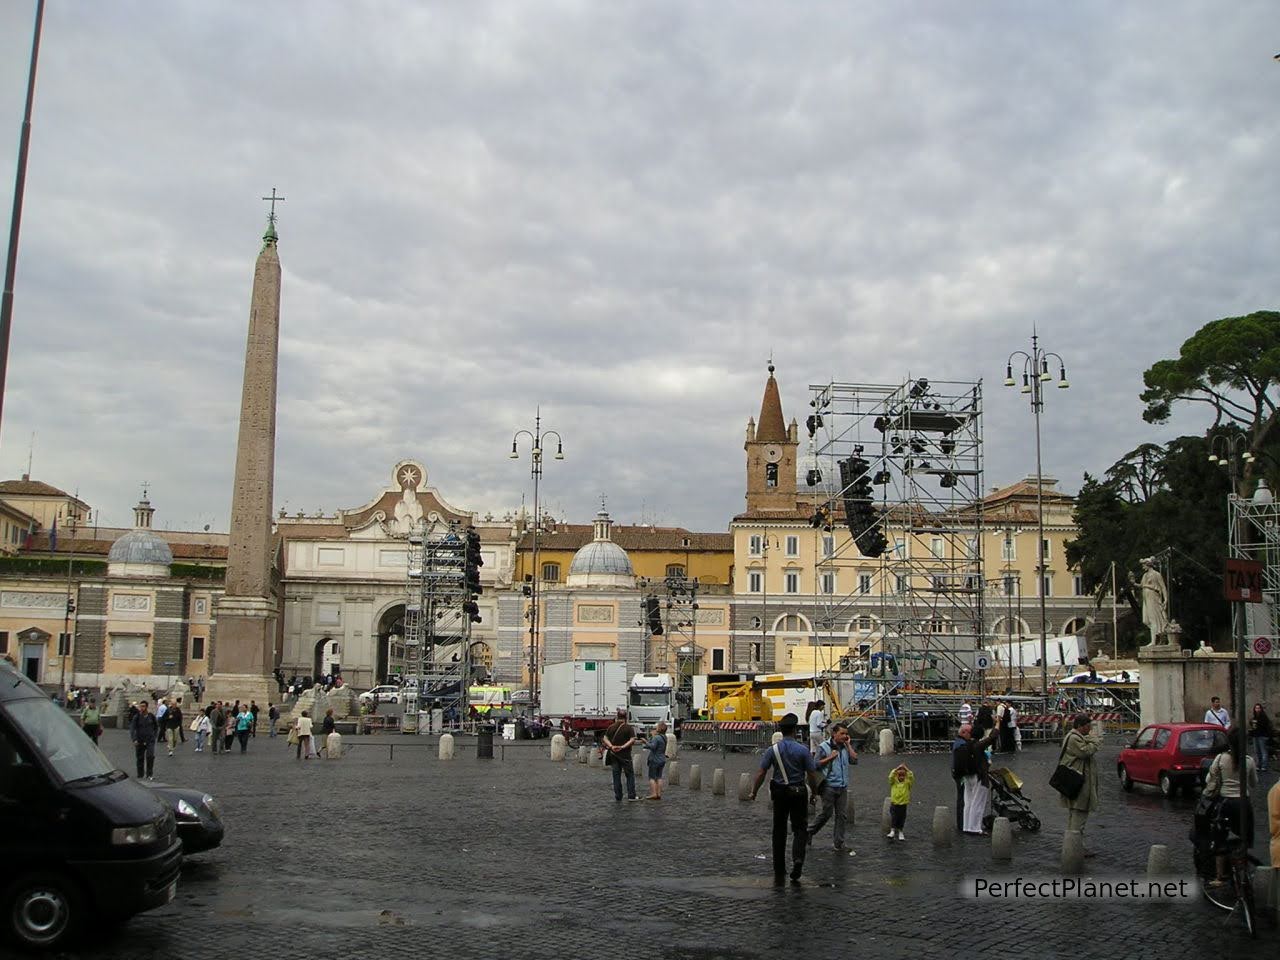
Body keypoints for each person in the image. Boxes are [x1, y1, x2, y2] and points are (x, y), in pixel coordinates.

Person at [749, 713, 821, 884]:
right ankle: (798, 859)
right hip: (799, 792)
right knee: (800, 828)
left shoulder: (772, 750)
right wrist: (815, 792)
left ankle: (779, 867)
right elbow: (811, 774)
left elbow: (761, 772)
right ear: (795, 730)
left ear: (780, 731)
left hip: (780, 792)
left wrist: (754, 791)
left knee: (779, 829)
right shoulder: (803, 750)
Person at [1201, 725, 1259, 886]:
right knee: (1244, 838)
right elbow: (1254, 783)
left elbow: (1208, 780)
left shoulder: (1220, 759)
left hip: (1226, 803)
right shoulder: (1249, 761)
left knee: (1219, 838)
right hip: (1243, 804)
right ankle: (1242, 867)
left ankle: (1220, 876)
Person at [809, 722, 857, 852]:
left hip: (842, 786)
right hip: (829, 785)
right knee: (826, 813)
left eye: (846, 734)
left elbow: (854, 760)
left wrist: (848, 745)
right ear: (834, 734)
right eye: (842, 733)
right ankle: (809, 832)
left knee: (842, 815)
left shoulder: (845, 747)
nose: (845, 736)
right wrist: (830, 757)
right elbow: (815, 765)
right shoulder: (824, 747)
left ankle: (839, 843)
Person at [1059, 713, 1102, 849]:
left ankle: (1073, 844)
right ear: (1080, 726)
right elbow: (1085, 752)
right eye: (1088, 727)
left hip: (1078, 782)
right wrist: (1095, 742)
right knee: (1078, 816)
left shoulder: (1078, 737)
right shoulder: (1074, 738)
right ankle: (1075, 847)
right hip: (1078, 783)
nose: (1089, 730)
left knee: (1076, 815)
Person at [961, 724, 999, 834]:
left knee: (968, 803)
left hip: (967, 776)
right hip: (979, 776)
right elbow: (992, 737)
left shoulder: (965, 744)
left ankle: (966, 826)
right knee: (977, 803)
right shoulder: (978, 745)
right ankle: (975, 828)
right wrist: (997, 724)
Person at [602, 709, 639, 802]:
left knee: (616, 775)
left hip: (613, 755)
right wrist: (622, 747)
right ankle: (631, 795)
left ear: (617, 717)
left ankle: (618, 796)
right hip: (625, 755)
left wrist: (611, 746)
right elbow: (632, 740)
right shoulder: (628, 728)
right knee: (629, 775)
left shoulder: (611, 727)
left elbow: (605, 738)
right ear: (625, 717)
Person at [129, 700, 160, 780]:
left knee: (150, 756)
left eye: (143, 706)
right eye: (140, 706)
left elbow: (156, 727)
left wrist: (154, 736)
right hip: (140, 740)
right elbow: (132, 728)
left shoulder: (151, 716)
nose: (141, 708)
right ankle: (140, 775)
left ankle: (149, 774)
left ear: (146, 707)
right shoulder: (137, 717)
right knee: (140, 758)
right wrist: (134, 739)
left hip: (150, 740)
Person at [951, 724, 972, 833]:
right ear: (964, 732)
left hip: (957, 774)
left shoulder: (959, 743)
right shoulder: (962, 745)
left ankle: (962, 822)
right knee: (962, 799)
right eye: (970, 733)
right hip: (961, 776)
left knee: (961, 798)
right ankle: (962, 822)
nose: (971, 735)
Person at [887, 763, 915, 841]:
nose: (901, 777)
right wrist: (897, 768)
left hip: (903, 804)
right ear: (897, 776)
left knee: (901, 818)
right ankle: (892, 831)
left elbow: (911, 776)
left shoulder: (907, 783)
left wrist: (906, 769)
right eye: (900, 775)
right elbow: (891, 776)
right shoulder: (893, 782)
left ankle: (900, 832)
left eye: (903, 775)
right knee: (894, 817)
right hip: (894, 803)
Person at [643, 721, 669, 800]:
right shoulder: (664, 737)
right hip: (662, 759)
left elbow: (652, 746)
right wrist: (653, 736)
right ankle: (659, 793)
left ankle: (654, 793)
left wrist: (645, 742)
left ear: (659, 728)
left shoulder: (657, 738)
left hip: (654, 759)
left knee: (652, 777)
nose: (656, 727)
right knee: (659, 777)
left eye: (657, 726)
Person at [1248, 703, 1272, 772]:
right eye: (1256, 708)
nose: (1257, 710)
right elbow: (1253, 726)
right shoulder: (1254, 718)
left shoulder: (1264, 717)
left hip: (1262, 735)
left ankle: (1264, 766)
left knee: (1263, 751)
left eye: (1258, 708)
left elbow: (1265, 726)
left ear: (1261, 709)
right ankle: (1258, 765)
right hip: (1255, 736)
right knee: (1257, 751)